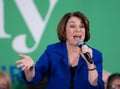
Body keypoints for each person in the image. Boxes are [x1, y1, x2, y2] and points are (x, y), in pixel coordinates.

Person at [16, 11, 104, 89]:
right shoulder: (52, 51)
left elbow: (96, 85)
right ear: (64, 30)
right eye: (72, 26)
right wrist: (30, 69)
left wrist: (90, 64)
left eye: (82, 26)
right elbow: (34, 78)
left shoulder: (95, 54)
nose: (78, 30)